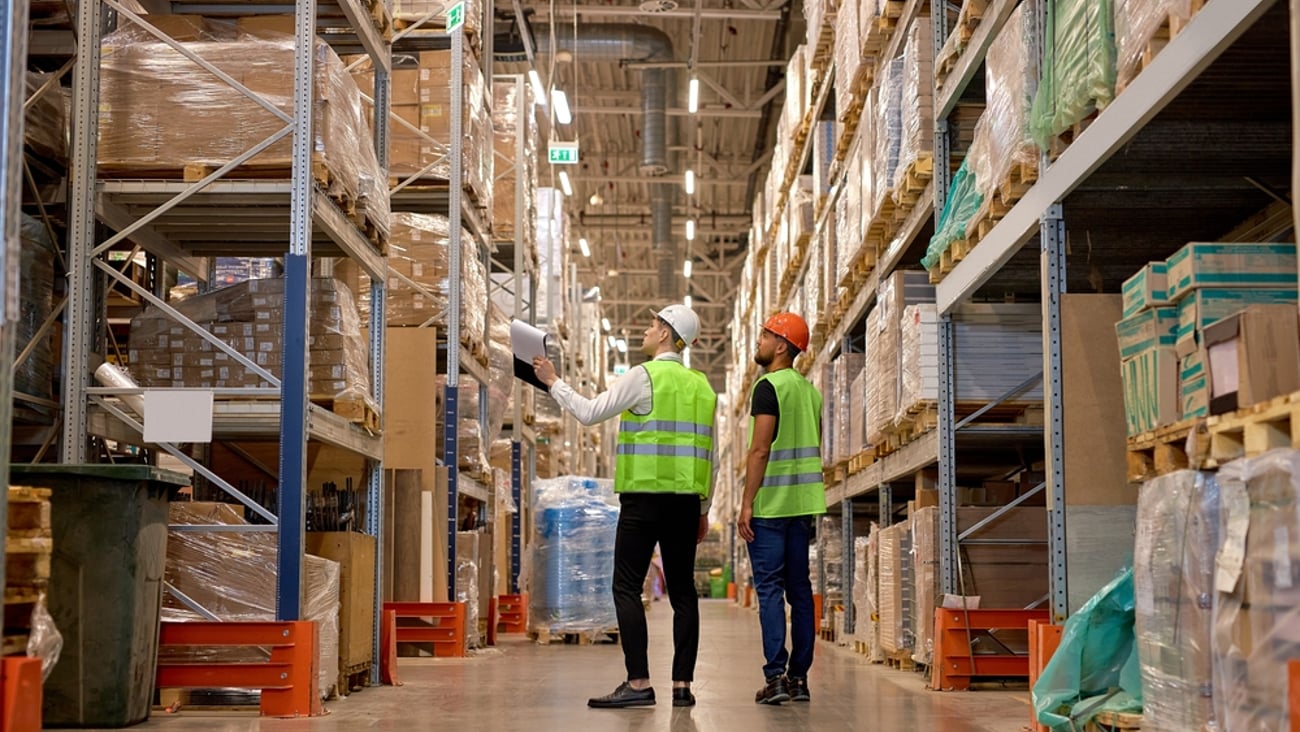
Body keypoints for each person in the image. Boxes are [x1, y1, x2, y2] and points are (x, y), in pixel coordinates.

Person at [532, 304, 717, 709]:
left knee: (626, 587)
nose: (646, 329)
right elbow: (712, 454)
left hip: (643, 501)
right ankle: (683, 687)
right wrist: (704, 507)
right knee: (684, 593)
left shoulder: (643, 375)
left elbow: (589, 412)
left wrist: (553, 382)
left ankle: (638, 684)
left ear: (667, 334)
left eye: (653, 324)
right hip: (686, 503)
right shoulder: (702, 387)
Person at [736, 312, 825, 705]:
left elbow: (760, 449)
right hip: (803, 505)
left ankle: (775, 678)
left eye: (766, 335)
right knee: (800, 591)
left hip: (771, 506)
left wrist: (746, 503)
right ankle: (799, 679)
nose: (760, 341)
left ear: (782, 346)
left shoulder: (768, 387)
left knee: (770, 589)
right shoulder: (810, 392)